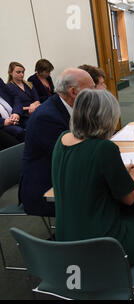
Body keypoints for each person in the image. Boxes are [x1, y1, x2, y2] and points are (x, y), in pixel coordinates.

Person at [52, 89, 134, 266]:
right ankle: (131, 273)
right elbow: (130, 198)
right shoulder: (104, 148)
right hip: (104, 243)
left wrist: (118, 169)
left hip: (65, 239)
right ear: (107, 118)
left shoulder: (62, 139)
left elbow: (85, 168)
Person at [19, 68, 95, 217]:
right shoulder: (47, 118)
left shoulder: (71, 107)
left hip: (64, 178)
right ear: (73, 92)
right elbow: (72, 159)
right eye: (92, 89)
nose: (96, 93)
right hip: (45, 190)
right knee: (109, 199)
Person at [6, 62, 40, 127]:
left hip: (35, 110)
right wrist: (29, 107)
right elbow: (12, 106)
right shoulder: (8, 87)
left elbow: (37, 100)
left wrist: (33, 105)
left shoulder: (29, 84)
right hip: (22, 116)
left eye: (23, 72)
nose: (22, 74)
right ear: (10, 73)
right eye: (18, 72)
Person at [0, 77, 24, 143]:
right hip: (3, 125)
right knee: (19, 132)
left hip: (16, 116)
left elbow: (16, 97)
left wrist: (16, 113)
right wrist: (3, 122)